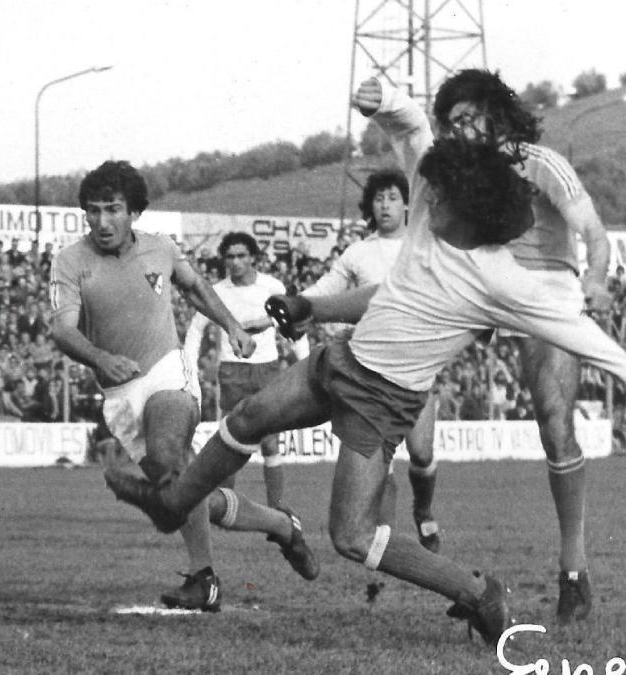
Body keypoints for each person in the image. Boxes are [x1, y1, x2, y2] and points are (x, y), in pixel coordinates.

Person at [104, 76, 626, 645]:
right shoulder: (434, 202)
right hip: (341, 360)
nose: (427, 202)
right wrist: (385, 103)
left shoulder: (504, 284)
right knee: (250, 416)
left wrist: (595, 286)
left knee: (351, 536)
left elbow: (592, 342)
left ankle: (478, 591)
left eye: (443, 200)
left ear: (477, 221)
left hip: (381, 401)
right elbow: (411, 142)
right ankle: (171, 505)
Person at [51, 160, 318, 613]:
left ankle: (203, 579)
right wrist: (99, 358)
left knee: (170, 456)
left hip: (168, 375)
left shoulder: (159, 248)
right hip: (119, 394)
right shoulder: (70, 261)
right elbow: (62, 329)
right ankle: (283, 525)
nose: (101, 221)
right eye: (92, 211)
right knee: (190, 494)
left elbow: (195, 288)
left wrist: (232, 326)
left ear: (133, 211)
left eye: (112, 209)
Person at [431, 69, 612, 624]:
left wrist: (598, 279)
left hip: (547, 292)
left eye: (468, 117)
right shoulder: (460, 175)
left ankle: (573, 570)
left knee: (554, 424)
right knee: (403, 387)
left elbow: (595, 234)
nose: (460, 130)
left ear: (495, 114)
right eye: (451, 122)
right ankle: (422, 537)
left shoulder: (541, 161)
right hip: (481, 288)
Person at [300, 168, 442, 552]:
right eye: (379, 198)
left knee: (423, 453)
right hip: (372, 370)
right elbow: (324, 290)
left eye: (393, 197)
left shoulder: (424, 247)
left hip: (417, 364)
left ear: (408, 203)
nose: (385, 205)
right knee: (383, 457)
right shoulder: (358, 253)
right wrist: (296, 305)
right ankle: (384, 538)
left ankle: (424, 510)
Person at [182, 232, 307, 509]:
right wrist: (190, 371)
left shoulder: (271, 286)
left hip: (267, 370)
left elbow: (294, 323)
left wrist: (305, 361)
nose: (236, 262)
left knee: (271, 442)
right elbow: (195, 330)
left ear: (253, 258)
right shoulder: (218, 291)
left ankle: (279, 509)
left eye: (241, 256)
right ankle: (228, 508)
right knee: (230, 441)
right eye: (230, 257)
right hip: (233, 371)